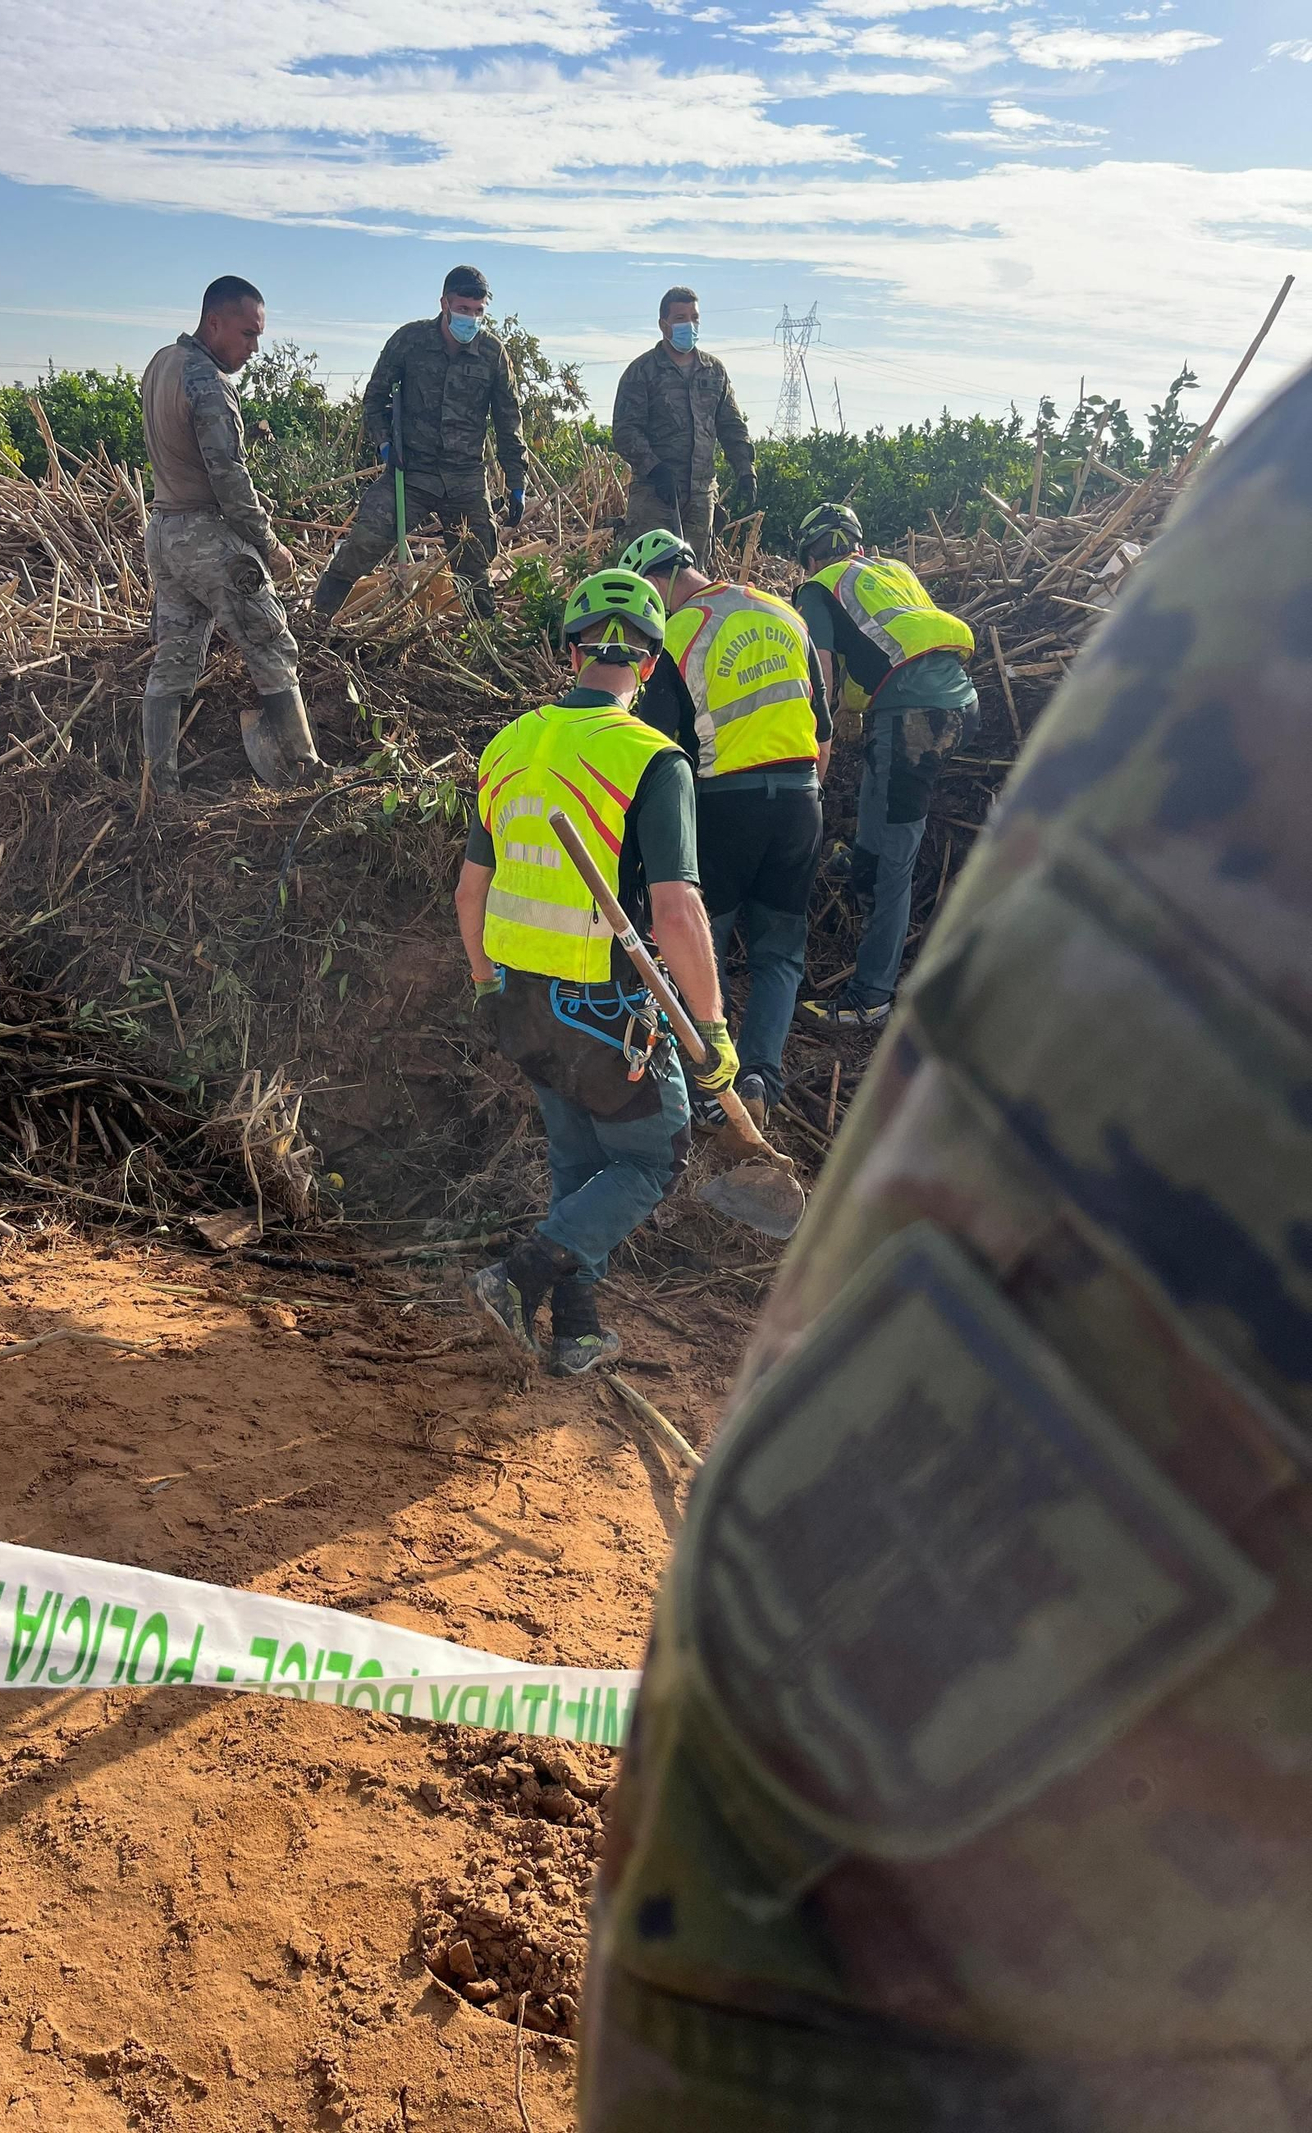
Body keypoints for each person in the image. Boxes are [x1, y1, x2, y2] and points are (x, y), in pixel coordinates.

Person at [579, 363, 1312, 2132]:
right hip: (871, 742)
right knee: (851, 890)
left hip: (848, 1946)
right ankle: (842, 995)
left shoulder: (1262, 533)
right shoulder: (844, 600)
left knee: (771, 921)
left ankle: (793, 1031)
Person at [454, 571, 740, 1377]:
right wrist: (712, 1029)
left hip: (516, 998)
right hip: (600, 1012)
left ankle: (575, 1329)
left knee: (582, 1168)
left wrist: (486, 987)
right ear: (651, 666)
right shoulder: (652, 758)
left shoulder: (508, 745)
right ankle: (518, 1278)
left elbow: (469, 891)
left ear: (570, 651)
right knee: (654, 1158)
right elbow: (678, 912)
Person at [621, 526, 831, 1131]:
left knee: (700, 940)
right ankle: (762, 1073)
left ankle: (711, 1086)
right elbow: (823, 731)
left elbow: (656, 747)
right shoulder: (783, 611)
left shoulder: (678, 632)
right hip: (801, 801)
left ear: (657, 582)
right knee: (780, 953)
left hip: (724, 803)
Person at [791, 501, 976, 1028]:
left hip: (914, 718)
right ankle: (860, 863)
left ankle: (871, 997)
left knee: (897, 861)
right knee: (880, 794)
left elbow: (819, 677)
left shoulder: (817, 588)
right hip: (958, 703)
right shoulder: (894, 571)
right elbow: (885, 652)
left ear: (809, 554)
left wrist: (811, 744)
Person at [139, 275, 318, 794]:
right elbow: (229, 477)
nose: (253, 348)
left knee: (173, 657)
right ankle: (307, 770)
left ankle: (160, 787)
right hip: (207, 539)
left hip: (164, 534)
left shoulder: (160, 364)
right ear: (213, 322)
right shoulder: (208, 382)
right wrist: (268, 544)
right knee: (271, 642)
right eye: (246, 334)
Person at [311, 266, 527, 624]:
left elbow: (509, 421)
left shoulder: (493, 354)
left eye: (478, 311)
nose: (470, 318)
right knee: (364, 542)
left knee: (475, 566)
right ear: (444, 303)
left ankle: (488, 645)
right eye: (463, 309)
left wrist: (517, 482)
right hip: (411, 472)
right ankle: (314, 623)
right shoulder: (409, 341)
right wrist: (383, 444)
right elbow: (374, 399)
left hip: (464, 479)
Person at [612, 287, 756, 572]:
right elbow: (625, 431)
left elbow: (731, 426)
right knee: (650, 574)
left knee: (694, 576)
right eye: (680, 317)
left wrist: (745, 469)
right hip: (655, 495)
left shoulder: (714, 371)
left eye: (694, 317)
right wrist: (654, 468)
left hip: (701, 497)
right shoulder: (642, 371)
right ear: (664, 325)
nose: (689, 324)